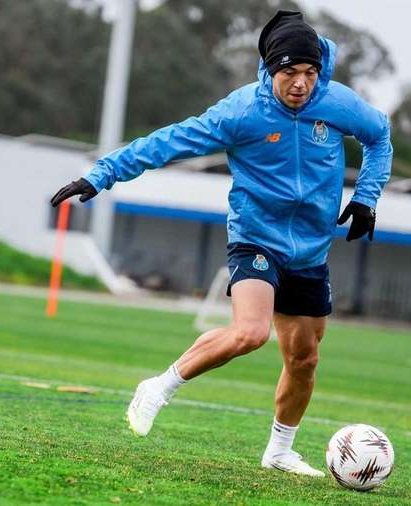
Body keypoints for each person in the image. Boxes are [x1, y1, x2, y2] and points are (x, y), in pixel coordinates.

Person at [50, 10, 392, 477]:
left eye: (310, 73)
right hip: (256, 237)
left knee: (305, 357)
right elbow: (168, 143)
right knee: (250, 332)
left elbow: (380, 136)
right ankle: (159, 386)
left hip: (311, 248)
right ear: (271, 69)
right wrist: (100, 175)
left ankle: (279, 451)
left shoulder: (337, 103)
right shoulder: (242, 112)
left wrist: (367, 197)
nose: (301, 84)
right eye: (290, 73)